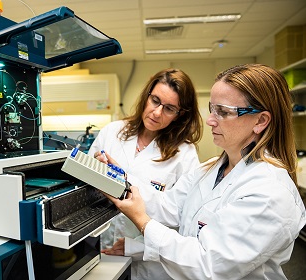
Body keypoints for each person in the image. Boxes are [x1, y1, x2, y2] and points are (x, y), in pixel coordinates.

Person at [104, 64, 306, 279]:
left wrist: (143, 223)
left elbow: (209, 266)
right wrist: (115, 176)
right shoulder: (210, 170)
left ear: (260, 121)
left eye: (224, 112)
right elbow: (167, 207)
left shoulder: (270, 192)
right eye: (212, 108)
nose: (210, 120)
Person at [88, 68, 203, 279]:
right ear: (147, 96)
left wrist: (136, 248)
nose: (157, 112)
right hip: (102, 248)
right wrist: (93, 170)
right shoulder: (112, 132)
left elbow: (183, 219)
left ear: (180, 115)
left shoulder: (184, 154)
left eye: (169, 108)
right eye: (155, 101)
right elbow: (86, 188)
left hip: (150, 262)